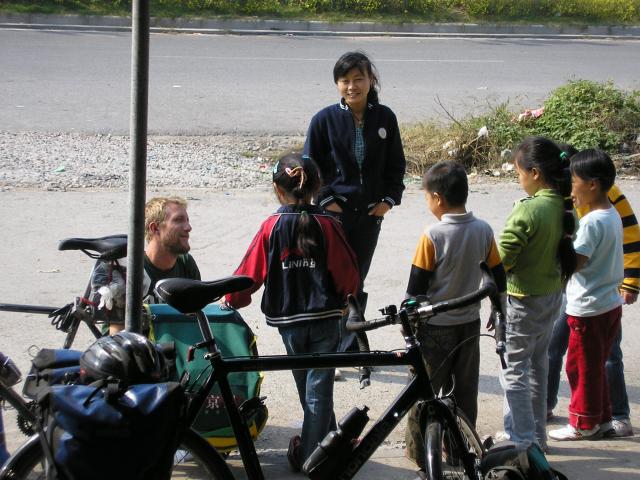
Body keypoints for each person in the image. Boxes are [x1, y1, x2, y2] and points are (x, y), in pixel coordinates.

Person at [224, 153, 359, 471]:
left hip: (288, 322)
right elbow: (349, 275)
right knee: (318, 388)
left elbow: (249, 273)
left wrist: (233, 299)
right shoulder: (328, 224)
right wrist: (345, 294)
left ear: (276, 188)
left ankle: (316, 454)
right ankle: (322, 451)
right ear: (317, 186)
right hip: (326, 317)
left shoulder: (271, 226)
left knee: (311, 386)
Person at [403, 161, 507, 472]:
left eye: (426, 197)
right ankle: (461, 450)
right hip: (469, 324)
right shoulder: (484, 230)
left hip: (435, 327)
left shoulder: (432, 235)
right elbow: (497, 278)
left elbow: (415, 288)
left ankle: (420, 455)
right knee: (465, 392)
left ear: (437, 198)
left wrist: (410, 323)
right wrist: (496, 310)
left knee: (423, 391)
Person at [303, 50, 406, 354]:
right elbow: (311, 167)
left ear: (370, 80)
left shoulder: (385, 117)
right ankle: (326, 346)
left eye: (358, 79)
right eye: (344, 80)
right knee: (329, 278)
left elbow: (396, 165)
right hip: (334, 215)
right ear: (337, 84)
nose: (352, 86)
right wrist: (326, 199)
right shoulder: (324, 120)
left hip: (371, 213)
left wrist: (388, 200)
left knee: (356, 279)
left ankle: (349, 345)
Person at [547, 148, 639, 438]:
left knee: (583, 366)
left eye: (572, 181)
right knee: (576, 358)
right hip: (600, 301)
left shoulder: (596, 218)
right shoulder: (606, 211)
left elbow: (576, 263)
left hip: (589, 304)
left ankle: (583, 424)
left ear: (592, 184)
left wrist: (554, 252)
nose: (569, 188)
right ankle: (597, 417)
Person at [497, 136, 577, 451]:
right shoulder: (565, 207)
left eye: (519, 173)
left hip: (522, 300)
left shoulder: (528, 210)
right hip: (552, 297)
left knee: (514, 371)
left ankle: (521, 439)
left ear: (534, 173)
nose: (519, 180)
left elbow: (502, 259)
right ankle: (537, 437)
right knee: (538, 367)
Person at [105, 196, 201, 334]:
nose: (188, 227)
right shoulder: (130, 269)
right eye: (179, 220)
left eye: (187, 220)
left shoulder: (186, 263)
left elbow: (196, 319)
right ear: (155, 228)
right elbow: (116, 333)